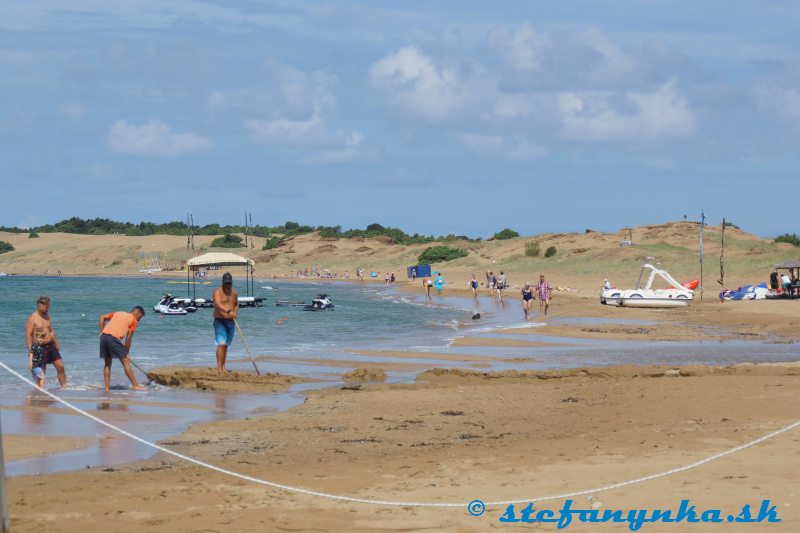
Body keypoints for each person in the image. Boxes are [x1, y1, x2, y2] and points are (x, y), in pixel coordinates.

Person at [99, 306, 145, 390]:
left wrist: (102, 332)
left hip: (104, 337)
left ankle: (107, 388)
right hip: (113, 338)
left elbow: (102, 317)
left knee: (107, 363)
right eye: (140, 317)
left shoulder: (118, 313)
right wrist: (126, 352)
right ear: (137, 312)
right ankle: (135, 385)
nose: (139, 320)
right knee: (125, 362)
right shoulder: (134, 321)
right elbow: (128, 338)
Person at [25, 296, 66, 387]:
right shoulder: (32, 318)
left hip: (50, 346)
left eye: (48, 306)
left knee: (60, 366)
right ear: (40, 306)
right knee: (41, 371)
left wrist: (56, 342)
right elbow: (28, 335)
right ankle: (40, 392)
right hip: (39, 347)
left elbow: (50, 330)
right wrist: (30, 350)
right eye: (46, 307)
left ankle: (64, 387)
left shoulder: (47, 315)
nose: (48, 308)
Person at [213, 272, 239, 371]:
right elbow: (217, 304)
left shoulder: (234, 293)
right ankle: (219, 369)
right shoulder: (218, 292)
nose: (227, 285)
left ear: (231, 283)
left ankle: (223, 367)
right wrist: (228, 311)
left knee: (226, 345)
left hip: (231, 322)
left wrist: (235, 312)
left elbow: (237, 304)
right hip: (220, 321)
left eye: (229, 283)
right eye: (226, 283)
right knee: (221, 344)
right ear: (223, 283)